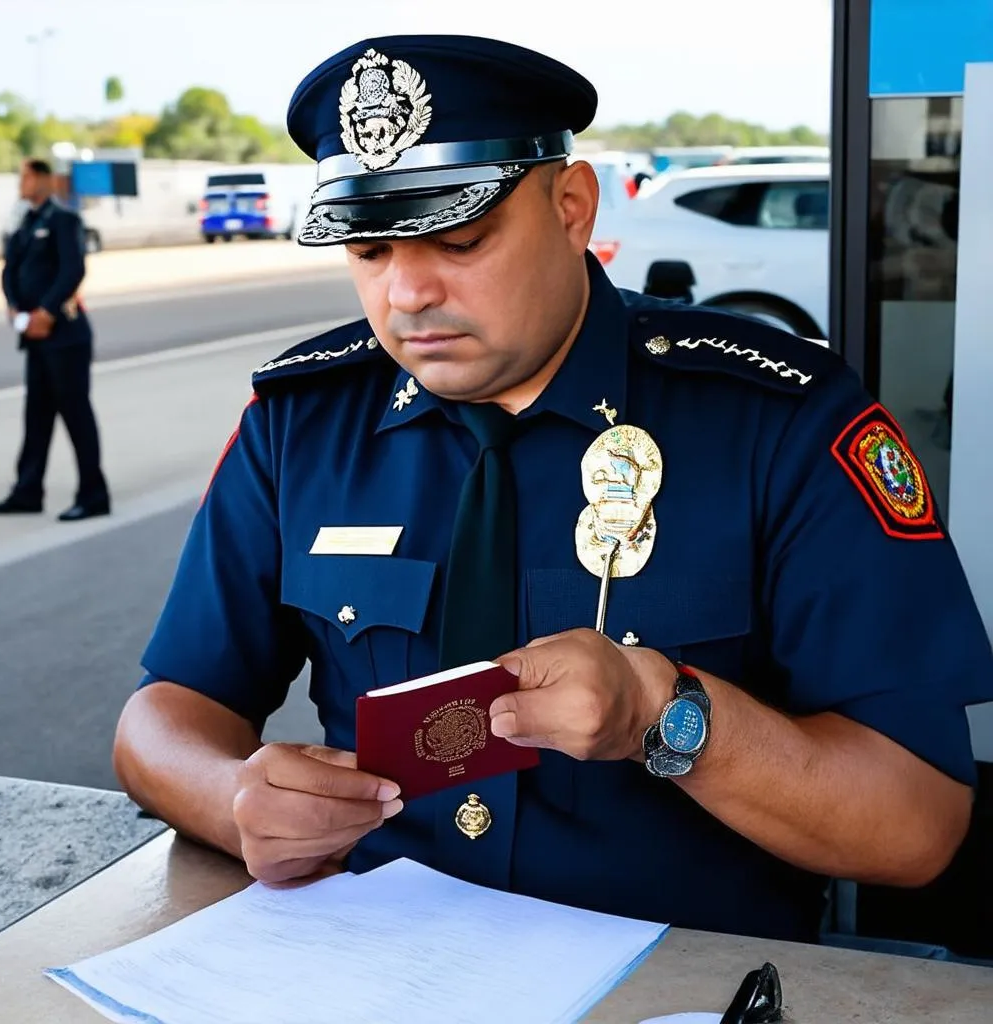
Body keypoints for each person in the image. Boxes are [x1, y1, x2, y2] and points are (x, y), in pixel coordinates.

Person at [113, 36, 993, 942]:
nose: (408, 293)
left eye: (459, 238)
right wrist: (230, 799)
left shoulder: (779, 422)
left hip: (676, 982)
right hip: (377, 963)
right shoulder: (303, 424)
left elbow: (917, 824)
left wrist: (668, 714)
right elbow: (165, 713)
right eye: (369, 251)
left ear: (572, 207)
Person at [0, 159, 110, 522]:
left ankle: (93, 494)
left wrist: (47, 312)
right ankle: (27, 491)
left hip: (64, 336)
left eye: (25, 176)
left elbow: (73, 269)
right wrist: (13, 307)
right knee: (36, 416)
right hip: (34, 337)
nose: (20, 183)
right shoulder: (24, 222)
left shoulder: (63, 220)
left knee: (75, 414)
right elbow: (9, 269)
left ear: (42, 179)